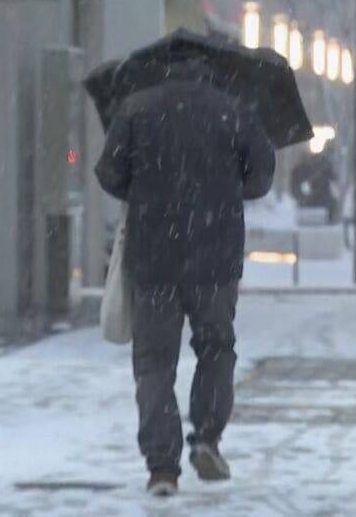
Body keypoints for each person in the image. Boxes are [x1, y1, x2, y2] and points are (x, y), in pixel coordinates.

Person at [95, 58, 275, 497]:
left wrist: (148, 189)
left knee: (154, 363)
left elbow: (109, 174)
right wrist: (224, 187)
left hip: (153, 257)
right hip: (215, 256)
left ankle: (162, 468)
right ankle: (207, 437)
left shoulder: (136, 108)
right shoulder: (233, 110)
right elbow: (261, 177)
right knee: (216, 348)